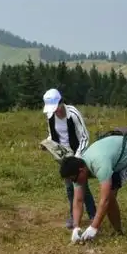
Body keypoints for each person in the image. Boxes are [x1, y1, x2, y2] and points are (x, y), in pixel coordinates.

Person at [41, 88, 97, 228]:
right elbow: (52, 134)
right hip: (63, 156)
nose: (55, 111)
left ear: (61, 102)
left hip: (77, 154)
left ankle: (93, 215)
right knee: (69, 187)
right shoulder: (50, 116)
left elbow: (84, 136)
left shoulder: (73, 114)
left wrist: (77, 158)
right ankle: (74, 216)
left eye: (57, 107)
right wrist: (47, 143)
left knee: (82, 185)